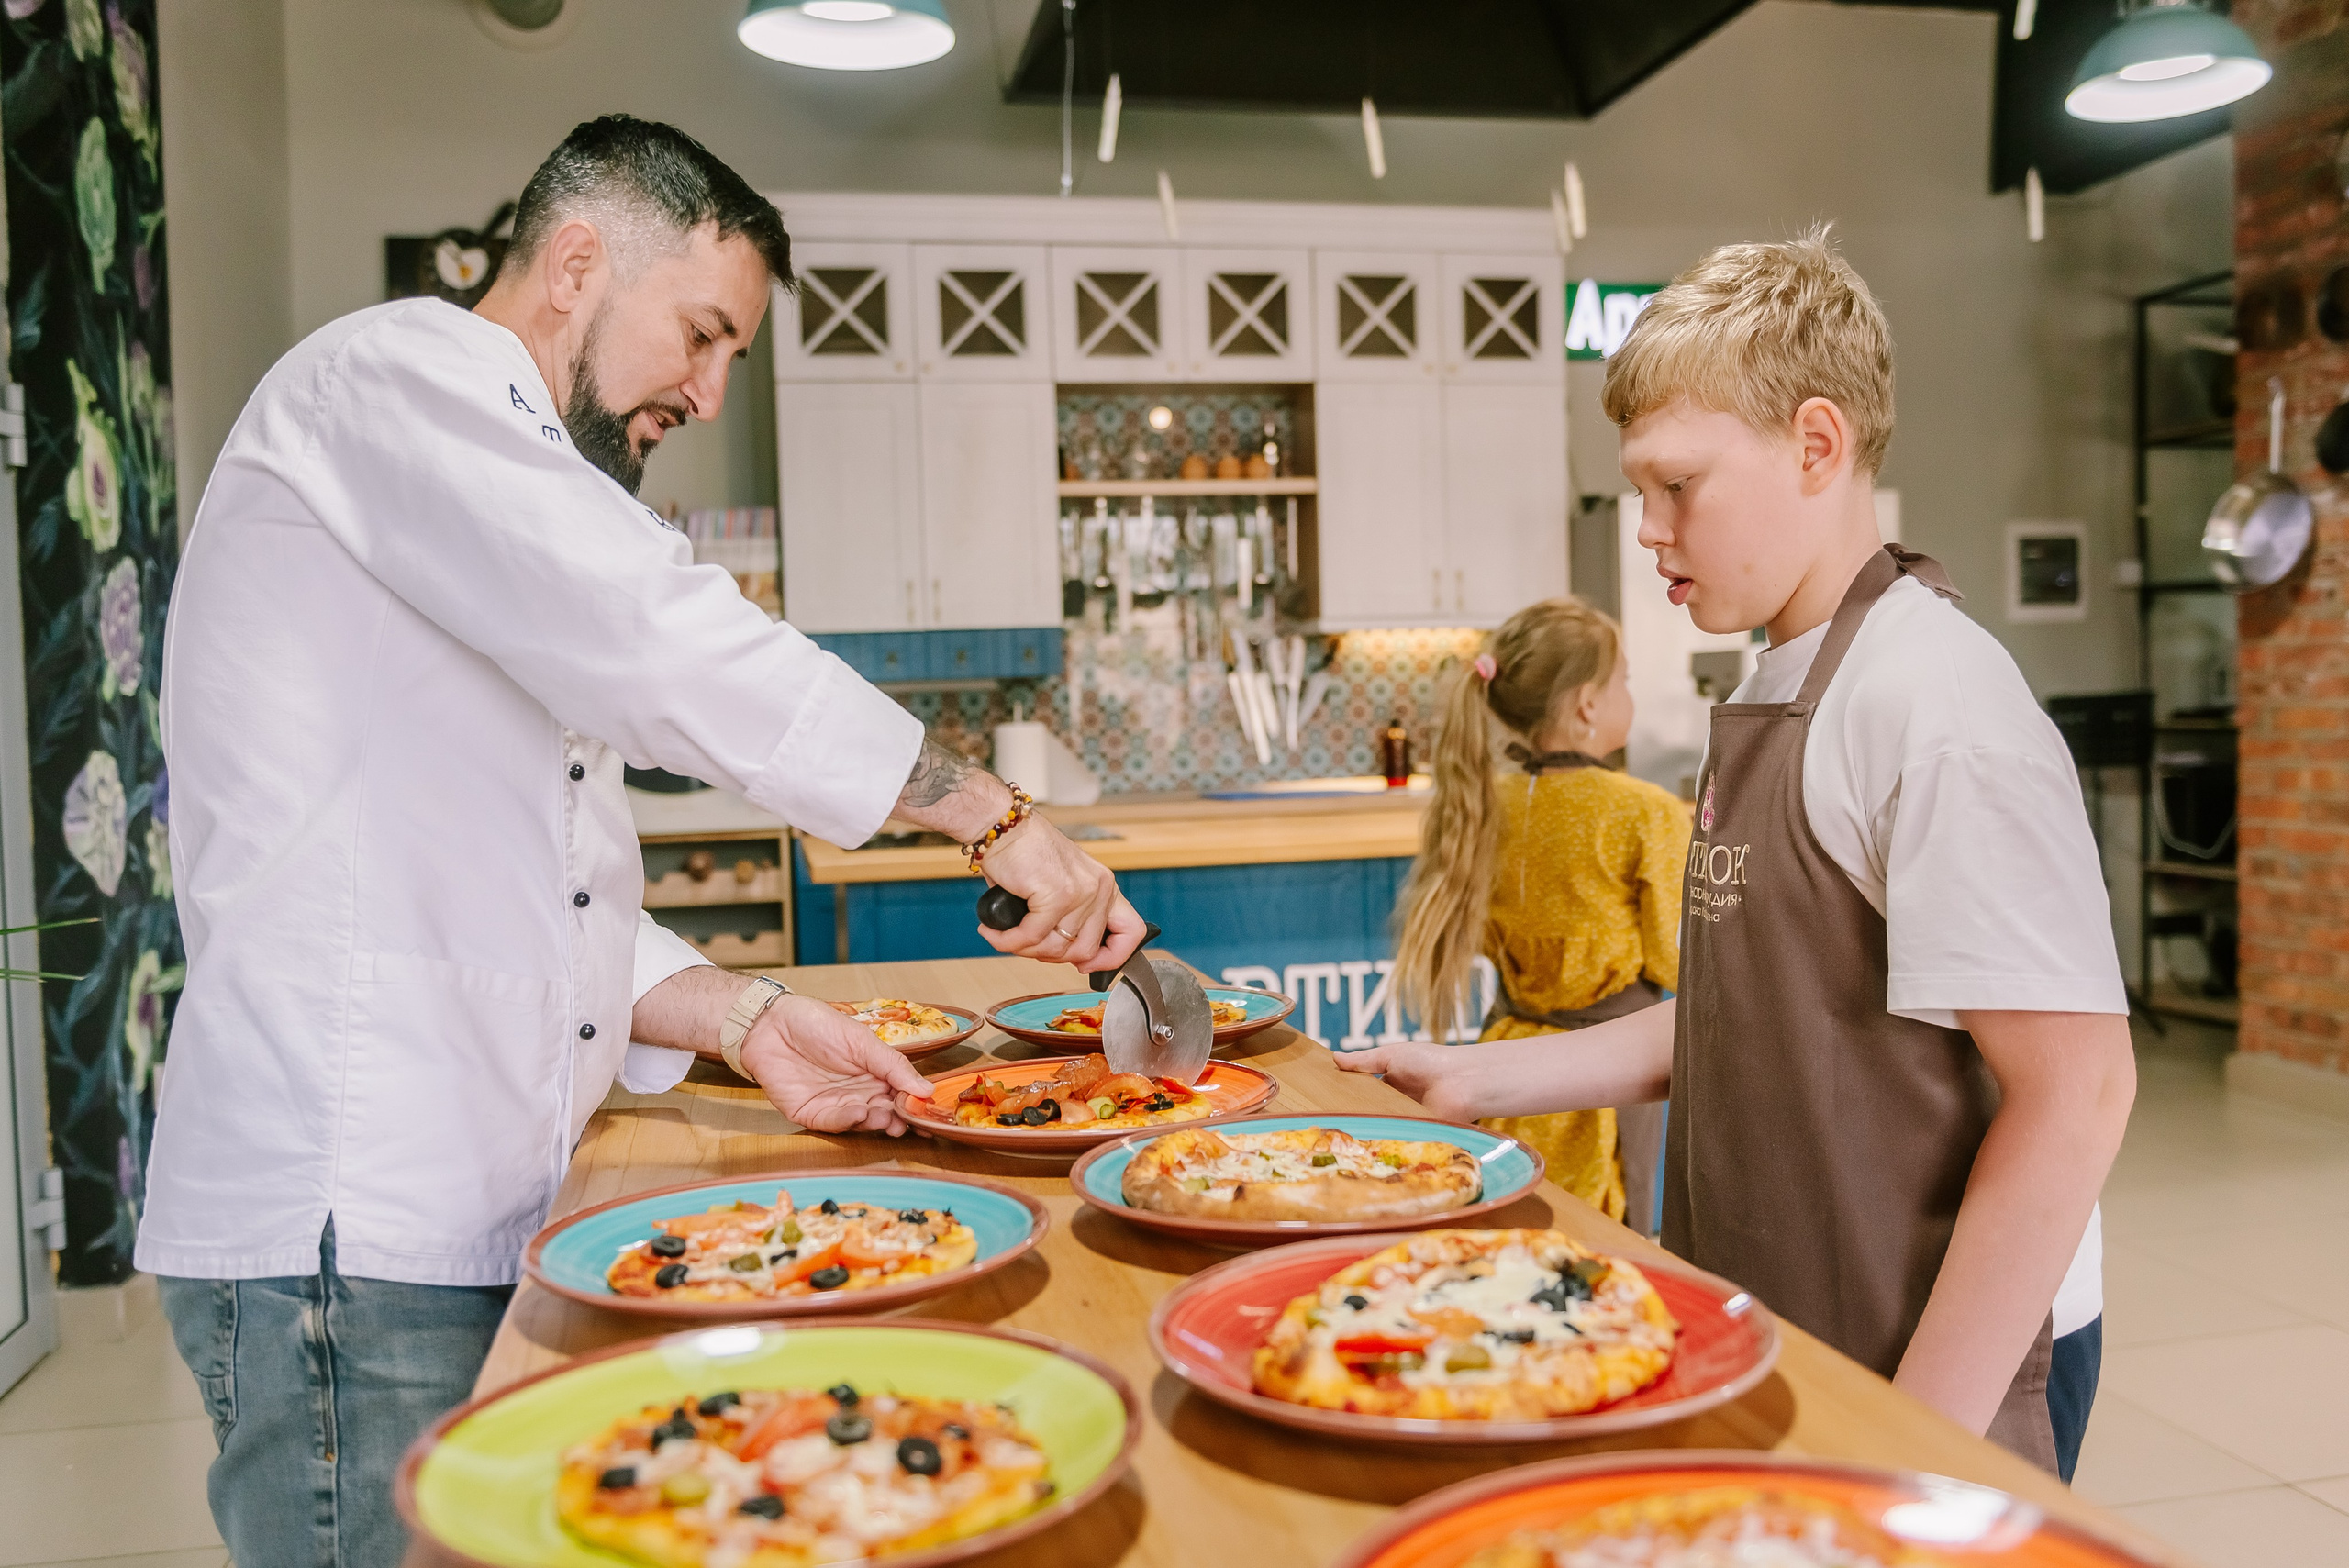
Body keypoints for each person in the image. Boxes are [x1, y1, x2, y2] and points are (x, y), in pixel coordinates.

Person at [137, 116, 1144, 1568]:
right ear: (577, 261)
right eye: (703, 331)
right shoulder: (393, 380)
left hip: (467, 1201)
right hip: (348, 1228)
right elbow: (661, 635)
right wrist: (986, 812)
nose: (713, 387)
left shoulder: (497, 476)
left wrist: (747, 1015)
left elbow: (528, 870)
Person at [1344, 230, 2132, 1478]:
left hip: (1939, 1351)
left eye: (1677, 487)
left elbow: (2078, 1096)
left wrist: (1913, 1439)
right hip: (1796, 1311)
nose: (1648, 529)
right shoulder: (1780, 678)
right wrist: (1475, 1085)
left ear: (1818, 445)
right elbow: (1752, 1012)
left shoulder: (1936, 707)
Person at [1390, 600, 1686, 1229]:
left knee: (1508, 1207)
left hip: (1505, 1056)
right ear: (1586, 704)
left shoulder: (1483, 799)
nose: (1629, 692)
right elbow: (1675, 958)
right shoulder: (1646, 811)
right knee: (1596, 1232)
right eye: (1624, 678)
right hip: (1602, 1069)